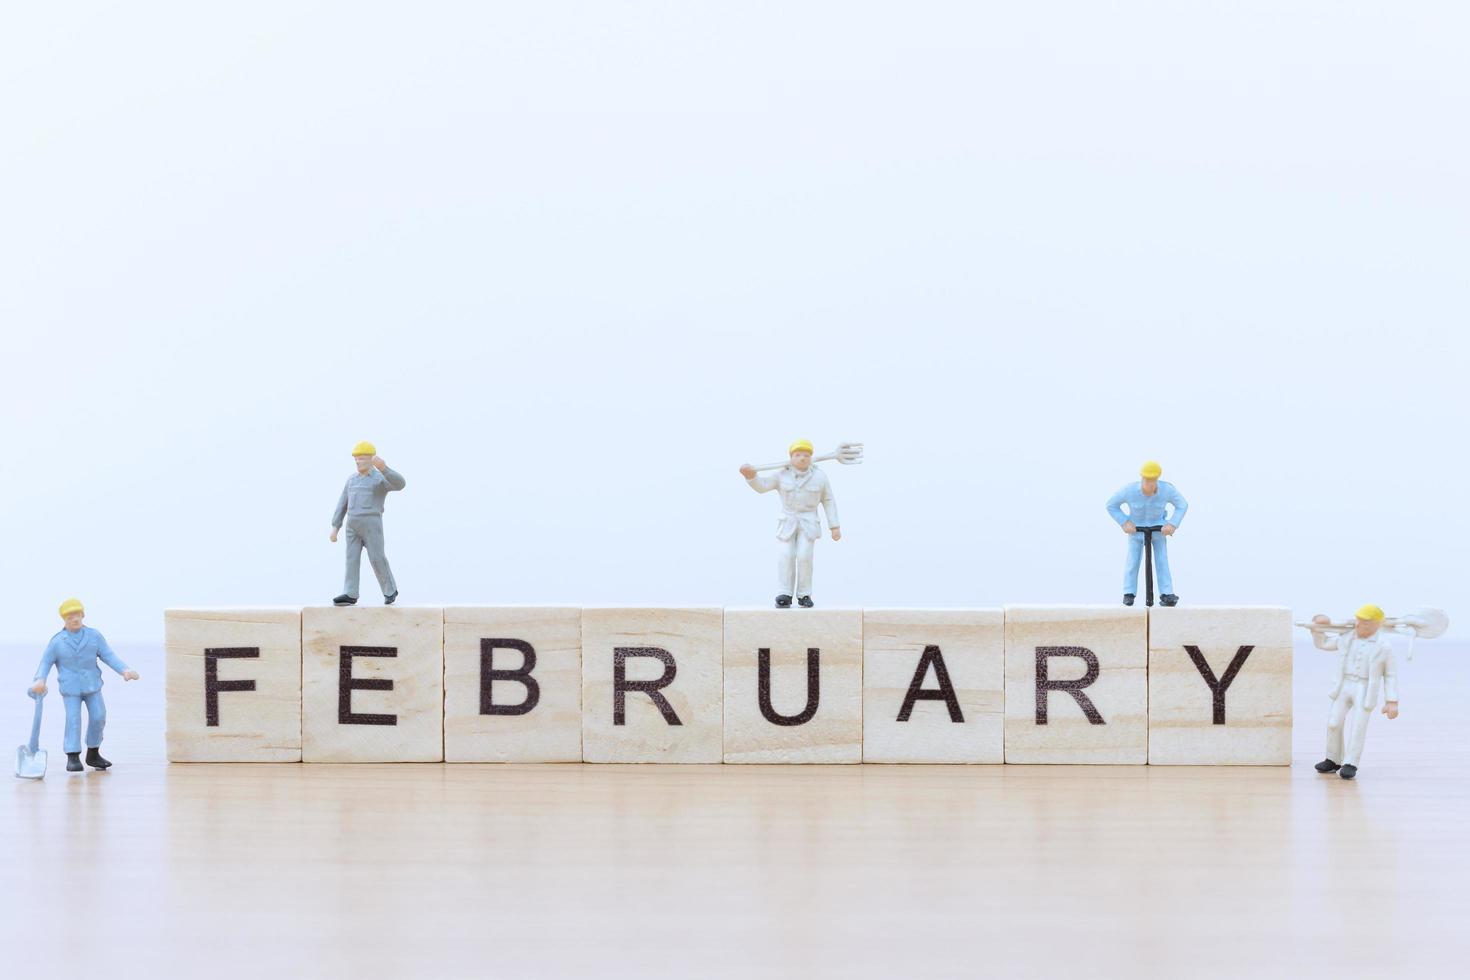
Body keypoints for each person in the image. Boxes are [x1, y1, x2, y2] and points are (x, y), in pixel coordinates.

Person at [30, 598, 140, 772]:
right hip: (70, 689)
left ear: (83, 615)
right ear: (63, 620)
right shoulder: (57, 642)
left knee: (98, 716)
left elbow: (109, 655)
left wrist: (124, 670)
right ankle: (73, 756)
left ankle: (93, 753)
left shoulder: (94, 636)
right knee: (73, 719)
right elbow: (45, 662)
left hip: (92, 686)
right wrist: (40, 679)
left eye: (76, 615)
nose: (74, 619)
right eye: (69, 617)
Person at [739, 440, 841, 609]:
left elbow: (828, 500)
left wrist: (834, 525)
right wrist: (750, 476)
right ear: (791, 457)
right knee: (785, 556)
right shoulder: (781, 475)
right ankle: (784, 593)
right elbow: (762, 486)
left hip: (809, 522)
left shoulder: (820, 476)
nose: (802, 458)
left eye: (806, 455)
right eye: (798, 455)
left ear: (811, 457)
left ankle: (804, 594)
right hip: (788, 522)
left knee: (804, 557)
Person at [1310, 604, 1399, 780]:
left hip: (1365, 688)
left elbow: (1390, 675)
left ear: (1377, 624)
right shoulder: (1347, 637)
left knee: (1358, 726)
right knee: (1334, 723)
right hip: (1344, 685)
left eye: (1365, 622)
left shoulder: (1384, 647)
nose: (1359, 625)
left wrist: (1391, 701)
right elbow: (1324, 643)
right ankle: (1333, 759)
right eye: (1358, 620)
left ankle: (1351, 762)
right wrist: (1318, 628)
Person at [330, 441, 407, 606]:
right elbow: (342, 503)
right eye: (356, 459)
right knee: (351, 559)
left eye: (362, 459)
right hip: (352, 525)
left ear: (372, 459)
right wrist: (335, 526)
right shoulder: (351, 480)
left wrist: (385, 469)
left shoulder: (379, 479)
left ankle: (390, 590)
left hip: (371, 523)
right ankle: (350, 592)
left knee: (377, 558)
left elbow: (400, 484)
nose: (358, 462)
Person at [1105, 460, 1187, 606]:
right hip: (1136, 532)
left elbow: (1182, 504)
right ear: (1142, 478)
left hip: (1158, 532)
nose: (1150, 484)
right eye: (1147, 480)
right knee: (1133, 562)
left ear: (1157, 479)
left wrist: (1172, 524)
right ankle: (1129, 593)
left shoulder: (1167, 490)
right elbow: (1111, 505)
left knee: (1162, 561)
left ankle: (1166, 593)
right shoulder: (1128, 491)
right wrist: (1124, 522)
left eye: (1153, 480)